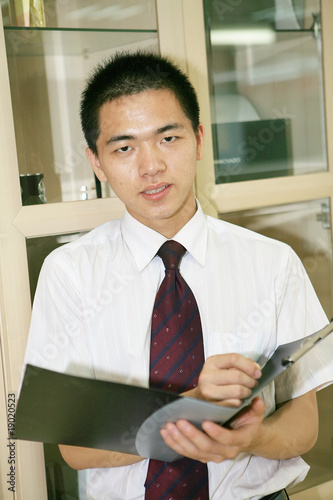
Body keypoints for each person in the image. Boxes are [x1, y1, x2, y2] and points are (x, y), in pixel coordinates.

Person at [22, 51, 333, 499]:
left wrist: (250, 437)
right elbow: (76, 447)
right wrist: (196, 408)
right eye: (124, 147)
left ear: (199, 139)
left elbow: (304, 426)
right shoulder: (70, 273)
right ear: (96, 161)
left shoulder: (273, 262)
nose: (151, 166)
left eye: (168, 138)